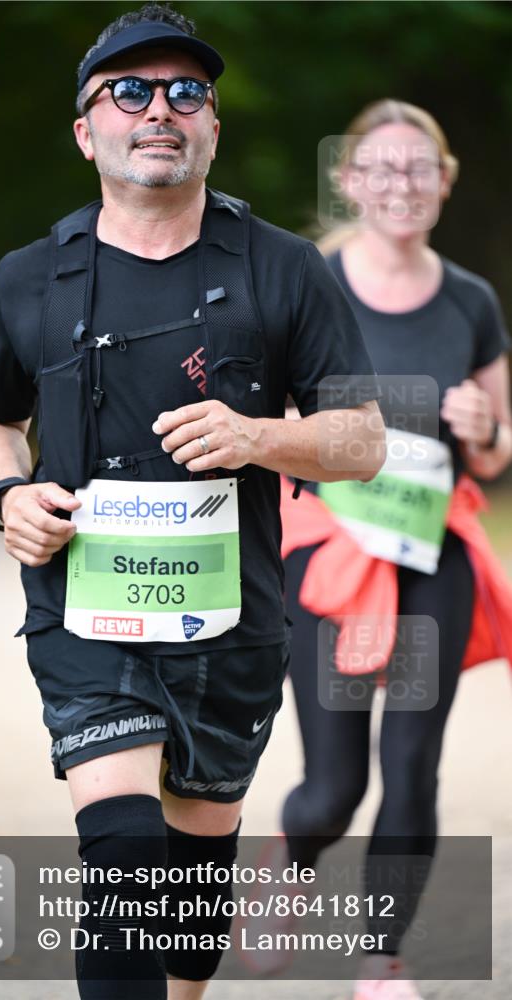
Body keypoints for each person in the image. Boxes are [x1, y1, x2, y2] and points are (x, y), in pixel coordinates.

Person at [0, 6, 385, 997]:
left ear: (212, 130)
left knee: (190, 882)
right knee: (121, 853)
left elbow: (362, 441)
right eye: (131, 91)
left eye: (187, 92)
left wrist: (260, 437)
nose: (161, 109)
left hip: (232, 619)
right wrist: (6, 493)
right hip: (84, 611)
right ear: (86, 131)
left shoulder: (284, 268)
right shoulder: (30, 277)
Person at [274, 100, 511, 1000]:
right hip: (329, 551)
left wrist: (484, 427)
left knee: (411, 766)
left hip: (430, 553)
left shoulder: (470, 300)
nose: (400, 184)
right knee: (332, 786)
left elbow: (495, 451)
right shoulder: (310, 284)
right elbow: (270, 419)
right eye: (380, 167)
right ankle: (292, 858)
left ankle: (381, 959)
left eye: (419, 168)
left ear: (443, 183)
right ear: (349, 180)